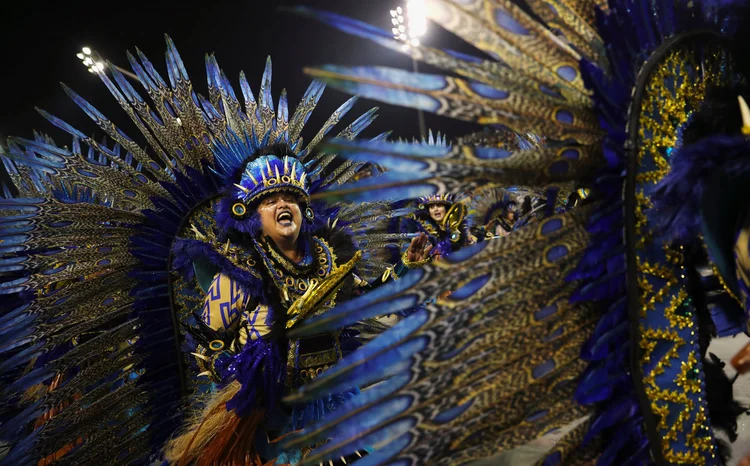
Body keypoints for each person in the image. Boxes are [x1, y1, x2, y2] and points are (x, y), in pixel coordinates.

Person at [282, 2, 750, 464]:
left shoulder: (376, 248)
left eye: (445, 203)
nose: (441, 209)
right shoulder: (309, 262)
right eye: (438, 204)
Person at [0, 39, 431, 466]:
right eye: (269, 200)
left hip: (333, 402)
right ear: (249, 215)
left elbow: (359, 299)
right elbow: (206, 344)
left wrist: (407, 268)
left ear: (305, 208)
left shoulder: (328, 257)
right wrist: (239, 372)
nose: (283, 205)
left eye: (291, 198)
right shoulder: (237, 274)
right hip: (270, 417)